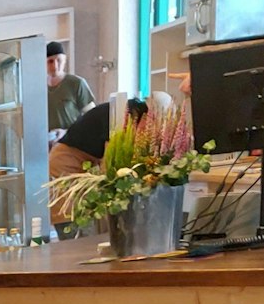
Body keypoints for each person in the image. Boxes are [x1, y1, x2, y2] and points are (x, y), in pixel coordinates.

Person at [47, 93, 171, 227]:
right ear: (147, 114)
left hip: (86, 164)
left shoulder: (132, 116)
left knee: (88, 220)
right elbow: (110, 167)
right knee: (69, 218)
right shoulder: (118, 116)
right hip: (65, 162)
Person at [46, 41, 95, 141]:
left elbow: (92, 117)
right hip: (48, 146)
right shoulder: (38, 88)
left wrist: (67, 132)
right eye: (50, 61)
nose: (55, 66)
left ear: (64, 60)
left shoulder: (77, 84)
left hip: (74, 143)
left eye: (58, 60)